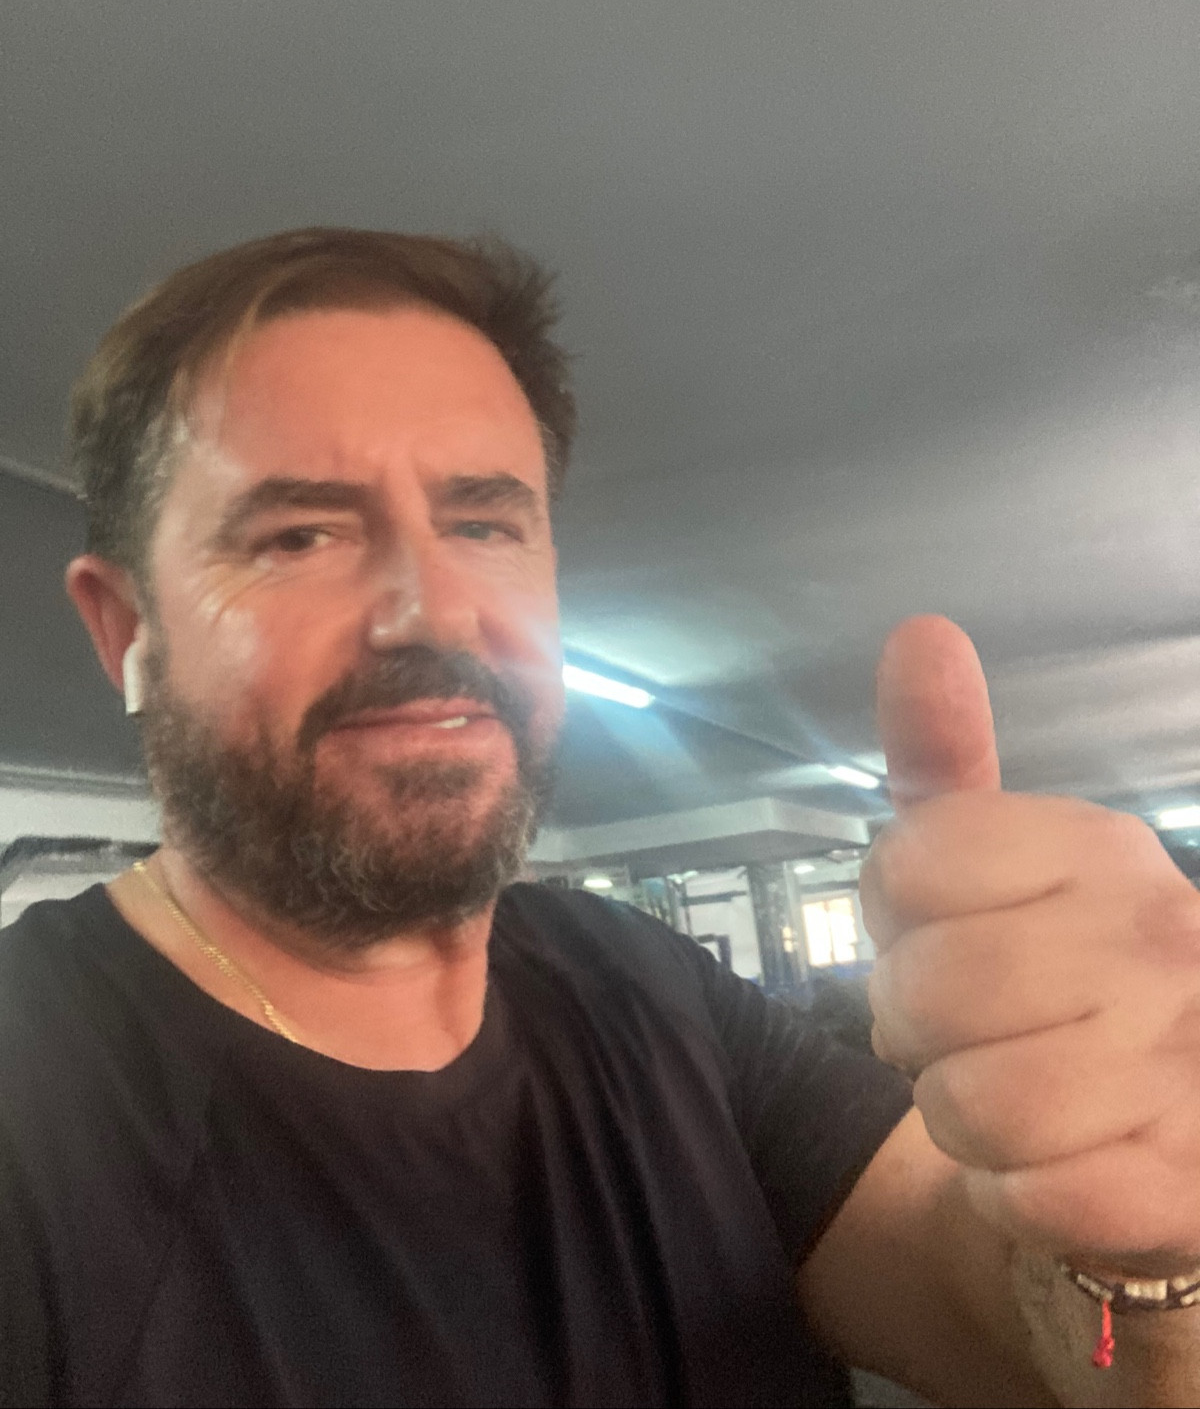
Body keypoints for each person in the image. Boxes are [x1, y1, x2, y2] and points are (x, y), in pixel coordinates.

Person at [2, 227, 1198, 1407]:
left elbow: (1027, 1334)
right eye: (298, 535)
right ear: (126, 629)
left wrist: (1152, 1244)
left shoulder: (643, 984)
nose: (435, 612)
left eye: (483, 524)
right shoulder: (33, 1108)